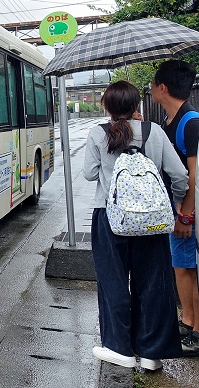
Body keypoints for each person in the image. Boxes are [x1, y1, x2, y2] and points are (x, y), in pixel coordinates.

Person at [84, 80, 186, 370]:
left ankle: (119, 348)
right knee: (154, 281)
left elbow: (90, 174)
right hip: (152, 219)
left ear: (107, 106)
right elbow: (179, 175)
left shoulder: (97, 133)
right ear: (137, 106)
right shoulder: (155, 132)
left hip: (110, 217)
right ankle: (152, 352)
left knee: (113, 280)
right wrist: (176, 204)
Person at [151, 59, 199, 357]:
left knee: (193, 267)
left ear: (163, 88)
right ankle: (189, 320)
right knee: (182, 267)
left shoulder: (191, 122)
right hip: (176, 207)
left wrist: (185, 215)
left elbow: (194, 175)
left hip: (189, 209)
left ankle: (197, 331)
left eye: (153, 84)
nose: (151, 89)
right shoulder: (167, 123)